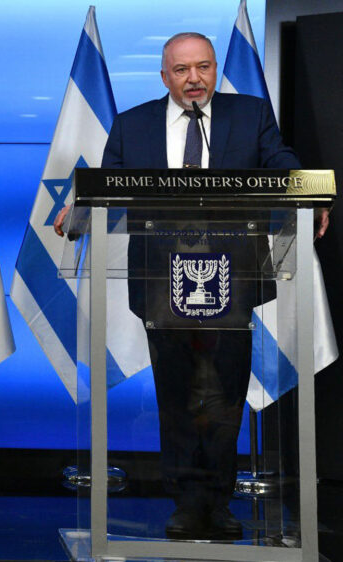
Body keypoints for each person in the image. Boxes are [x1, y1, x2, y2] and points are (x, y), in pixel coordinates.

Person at [54, 32, 326, 540]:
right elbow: (106, 183)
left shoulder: (249, 115)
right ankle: (184, 502)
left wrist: (309, 194)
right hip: (160, 280)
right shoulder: (132, 124)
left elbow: (280, 162)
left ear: (214, 69)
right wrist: (81, 208)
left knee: (223, 397)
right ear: (165, 77)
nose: (194, 79)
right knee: (177, 396)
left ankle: (219, 503)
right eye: (182, 70)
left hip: (234, 278)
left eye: (203, 67)